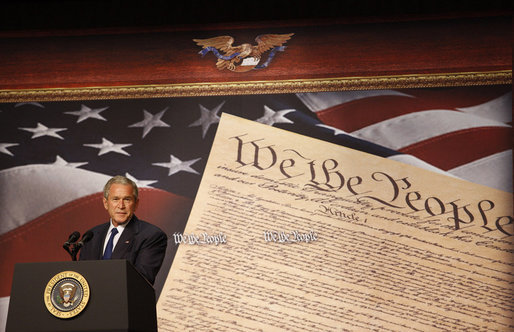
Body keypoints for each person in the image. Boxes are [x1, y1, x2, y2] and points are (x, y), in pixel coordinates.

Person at [79, 175, 167, 285]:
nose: (121, 206)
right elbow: (81, 277)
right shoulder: (92, 235)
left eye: (127, 199)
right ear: (106, 203)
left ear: (136, 204)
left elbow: (142, 281)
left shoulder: (151, 236)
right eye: (115, 199)